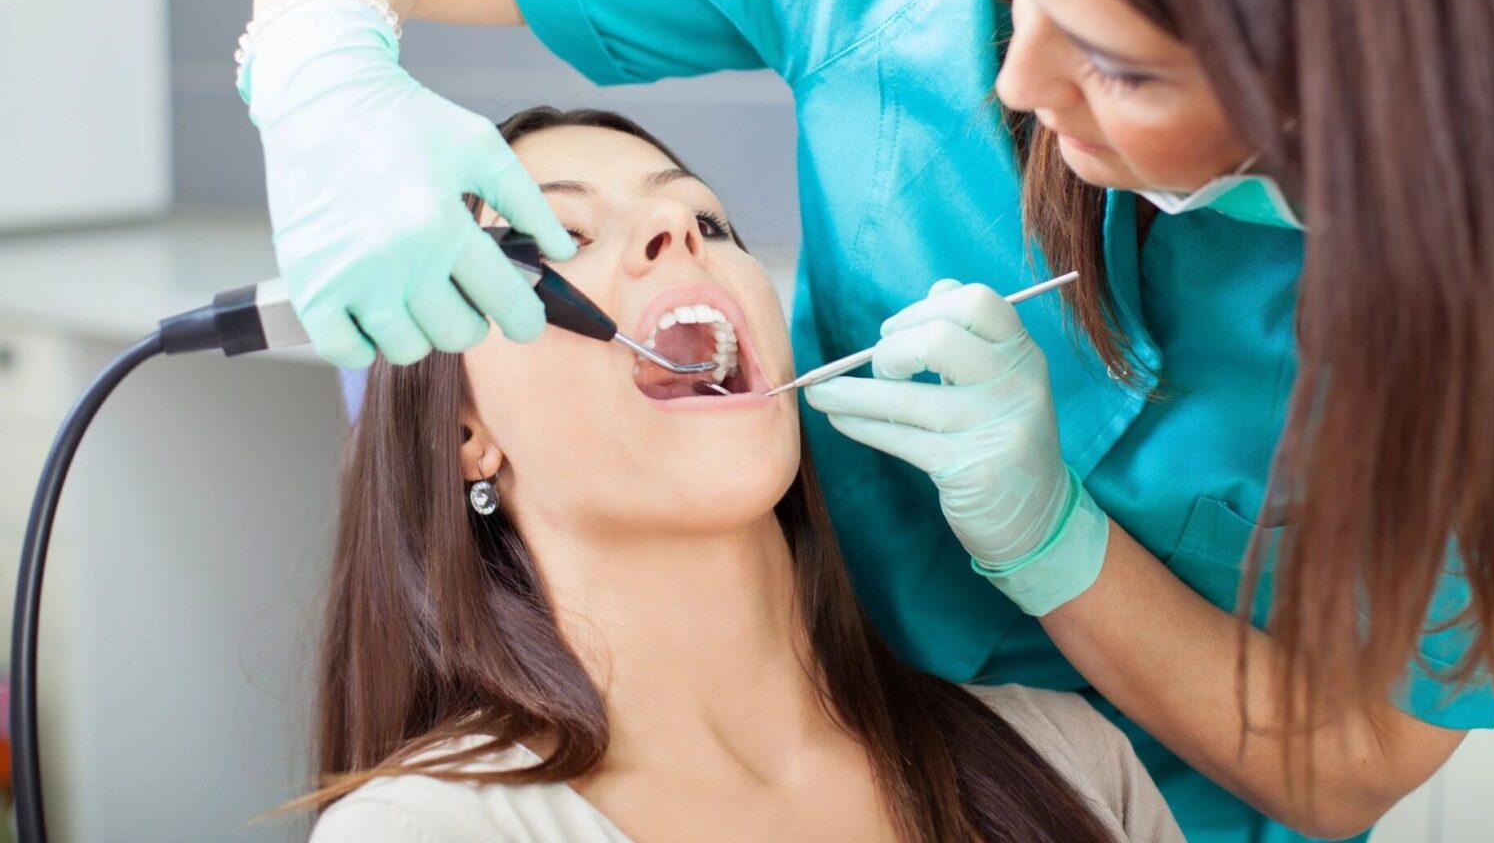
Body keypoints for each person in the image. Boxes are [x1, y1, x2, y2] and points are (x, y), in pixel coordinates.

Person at [239, 0, 1494, 838]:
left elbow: (1345, 759)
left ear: (1348, 103)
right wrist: (319, 80)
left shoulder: (1072, 769)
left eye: (1115, 66)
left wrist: (1056, 546)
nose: (1011, 79)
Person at [302, 106, 1182, 843]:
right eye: (559, 235)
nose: (676, 229)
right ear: (464, 432)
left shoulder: (1073, 763)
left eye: (710, 223)